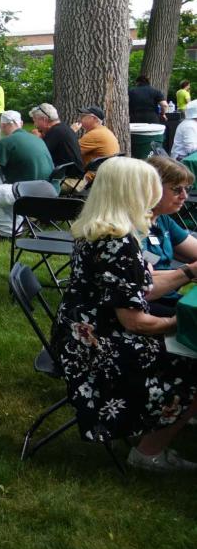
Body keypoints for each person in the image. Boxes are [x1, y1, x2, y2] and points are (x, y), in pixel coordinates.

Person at [48, 157, 197, 470]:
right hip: (95, 347)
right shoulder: (119, 241)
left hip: (78, 334)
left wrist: (185, 277)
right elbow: (136, 323)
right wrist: (181, 324)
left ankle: (174, 419)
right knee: (192, 356)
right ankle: (149, 452)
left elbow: (132, 292)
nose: (157, 194)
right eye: (152, 187)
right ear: (135, 192)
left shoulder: (100, 229)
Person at [0, 110, 55, 236]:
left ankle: (9, 231)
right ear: (21, 123)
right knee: (0, 184)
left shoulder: (6, 141)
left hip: (27, 194)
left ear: (3, 125)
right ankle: (17, 223)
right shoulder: (36, 139)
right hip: (48, 190)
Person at [141, 155, 197, 308]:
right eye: (177, 189)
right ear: (152, 188)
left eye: (187, 189)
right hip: (147, 303)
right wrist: (188, 272)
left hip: (168, 296)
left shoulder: (161, 219)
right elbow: (144, 282)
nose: (184, 196)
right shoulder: (131, 228)